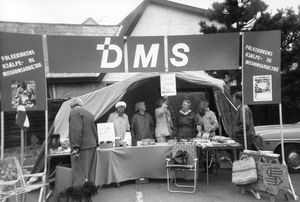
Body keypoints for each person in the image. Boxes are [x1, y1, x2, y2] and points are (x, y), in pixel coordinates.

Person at [69, 97, 98, 186]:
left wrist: (75, 147)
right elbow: (95, 131)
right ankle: (89, 194)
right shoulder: (89, 113)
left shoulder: (74, 112)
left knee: (80, 173)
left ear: (72, 105)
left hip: (82, 147)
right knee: (90, 173)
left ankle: (79, 196)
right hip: (92, 145)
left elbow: (76, 130)